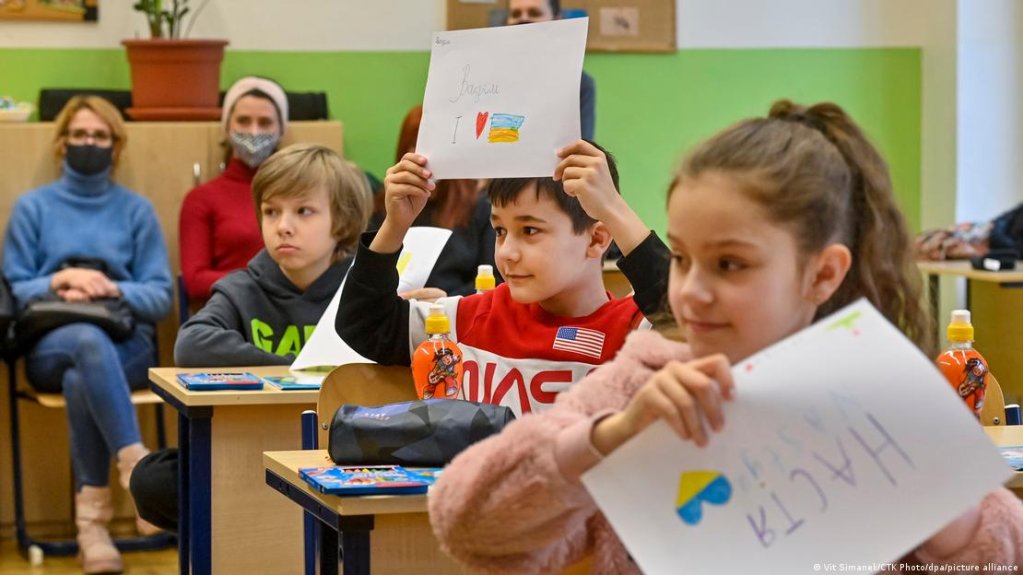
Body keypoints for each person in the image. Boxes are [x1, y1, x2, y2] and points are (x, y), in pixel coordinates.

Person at [428, 101, 1023, 573]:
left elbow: (1000, 556)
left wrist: (951, 521)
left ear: (822, 273)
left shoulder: (884, 403)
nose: (691, 292)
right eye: (683, 259)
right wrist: (610, 438)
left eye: (731, 265)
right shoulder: (646, 383)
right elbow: (464, 525)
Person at [130, 143, 372, 531]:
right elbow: (191, 344)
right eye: (271, 211)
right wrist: (300, 370)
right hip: (249, 448)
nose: (283, 226)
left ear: (341, 222)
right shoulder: (242, 288)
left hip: (338, 451)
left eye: (303, 211)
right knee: (152, 480)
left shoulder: (363, 289)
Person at [336, 140, 669, 416]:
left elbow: (695, 325)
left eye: (530, 230)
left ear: (597, 239)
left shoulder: (634, 333)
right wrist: (395, 225)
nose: (507, 252)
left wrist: (614, 209)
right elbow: (363, 323)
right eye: (499, 230)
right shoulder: (466, 321)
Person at [2, 95, 173, 574]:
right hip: (49, 346)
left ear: (115, 146)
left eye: (99, 136)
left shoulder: (136, 211)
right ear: (61, 144)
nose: (89, 144)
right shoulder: (33, 208)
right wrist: (63, 279)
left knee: (86, 372)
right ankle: (136, 468)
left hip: (128, 346)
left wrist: (109, 286)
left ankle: (91, 528)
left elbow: (159, 297)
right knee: (83, 343)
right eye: (79, 135)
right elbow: (15, 288)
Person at [178, 76, 289, 301]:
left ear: (281, 129)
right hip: (229, 316)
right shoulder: (201, 198)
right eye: (244, 121)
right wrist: (269, 281)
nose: (254, 131)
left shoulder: (299, 195)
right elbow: (195, 281)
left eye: (265, 122)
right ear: (227, 127)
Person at [372, 105, 501, 297]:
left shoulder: (478, 208)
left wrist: (446, 301)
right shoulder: (386, 205)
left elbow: (495, 282)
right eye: (414, 146)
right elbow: (366, 277)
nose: (422, 158)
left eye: (431, 147)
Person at [507, 0, 595, 140]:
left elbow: (582, 147)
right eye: (515, 14)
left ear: (557, 20)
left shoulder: (579, 84)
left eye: (534, 13)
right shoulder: (486, 81)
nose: (523, 19)